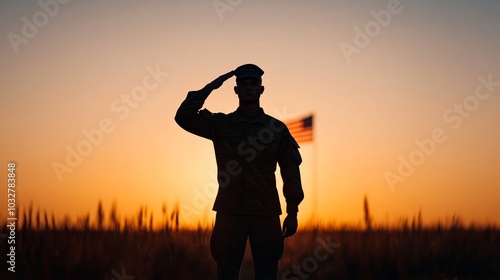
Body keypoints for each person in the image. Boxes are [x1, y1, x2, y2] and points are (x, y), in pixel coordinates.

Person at [175, 64, 304, 280]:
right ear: (236, 90)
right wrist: (211, 87)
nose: (248, 88)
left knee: (267, 274)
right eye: (243, 84)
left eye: (254, 84)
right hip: (230, 213)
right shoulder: (221, 124)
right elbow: (184, 117)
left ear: (261, 89)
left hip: (265, 212)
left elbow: (290, 171)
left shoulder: (276, 129)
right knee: (226, 273)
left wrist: (293, 211)